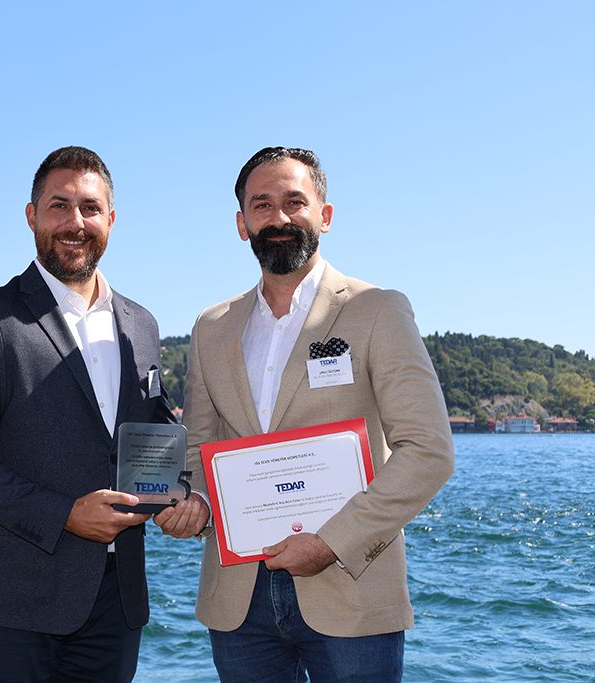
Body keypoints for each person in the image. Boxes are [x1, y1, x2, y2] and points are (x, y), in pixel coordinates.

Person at [154, 146, 455, 682]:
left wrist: (331, 542)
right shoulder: (210, 326)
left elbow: (428, 451)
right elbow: (199, 448)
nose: (280, 217)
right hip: (238, 600)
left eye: (295, 202)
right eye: (262, 205)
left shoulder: (377, 309)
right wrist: (194, 502)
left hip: (350, 587)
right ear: (242, 224)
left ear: (325, 214)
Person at [0, 146, 175, 683]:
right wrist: (65, 513)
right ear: (32, 215)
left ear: (111, 219)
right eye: (59, 206)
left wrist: (184, 495)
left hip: (116, 601)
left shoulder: (143, 324)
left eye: (90, 208)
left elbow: (154, 434)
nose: (75, 223)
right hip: (11, 603)